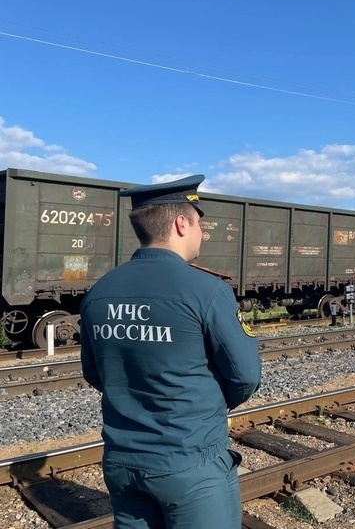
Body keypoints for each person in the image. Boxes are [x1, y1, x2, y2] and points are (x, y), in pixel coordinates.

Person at [79, 175, 262, 529]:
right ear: (181, 223)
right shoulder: (206, 290)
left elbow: (95, 372)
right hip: (190, 460)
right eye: (199, 223)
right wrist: (201, 406)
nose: (201, 232)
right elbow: (244, 376)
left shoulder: (100, 291)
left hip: (122, 461)